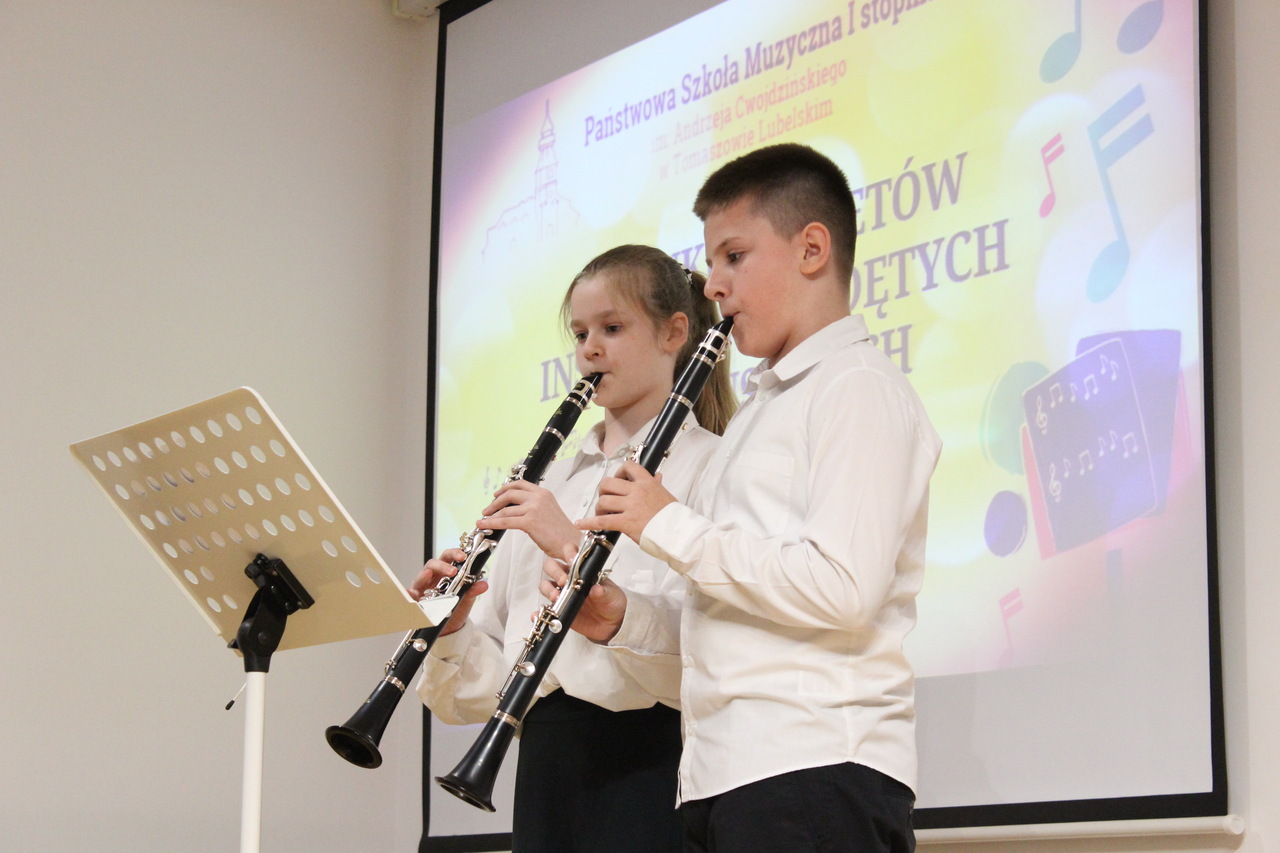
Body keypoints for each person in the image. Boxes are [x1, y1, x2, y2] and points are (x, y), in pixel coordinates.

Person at [546, 143, 942, 853]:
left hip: (814, 767)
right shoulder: (761, 412)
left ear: (812, 249)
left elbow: (842, 587)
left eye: (733, 256)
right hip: (724, 776)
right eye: (712, 260)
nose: (715, 286)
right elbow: (729, 616)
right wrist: (621, 617)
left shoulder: (856, 386)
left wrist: (669, 523)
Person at [411, 244, 736, 853]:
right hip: (548, 766)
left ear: (674, 333)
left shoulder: (713, 465)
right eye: (581, 333)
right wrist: (453, 627)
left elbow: (706, 650)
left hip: (653, 762)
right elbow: (486, 684)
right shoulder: (551, 480)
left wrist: (567, 542)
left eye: (613, 328)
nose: (590, 348)